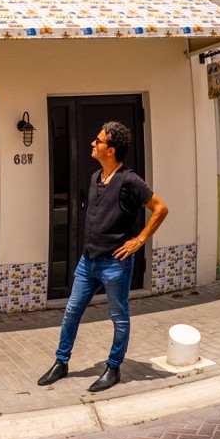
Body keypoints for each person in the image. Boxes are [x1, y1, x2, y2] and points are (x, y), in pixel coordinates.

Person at [36, 121, 168, 393]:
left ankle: (113, 367)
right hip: (89, 261)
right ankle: (61, 362)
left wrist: (139, 240)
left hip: (115, 264)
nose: (93, 144)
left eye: (98, 141)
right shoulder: (96, 177)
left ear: (112, 150)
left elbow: (160, 208)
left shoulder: (130, 180)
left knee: (118, 316)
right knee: (72, 312)